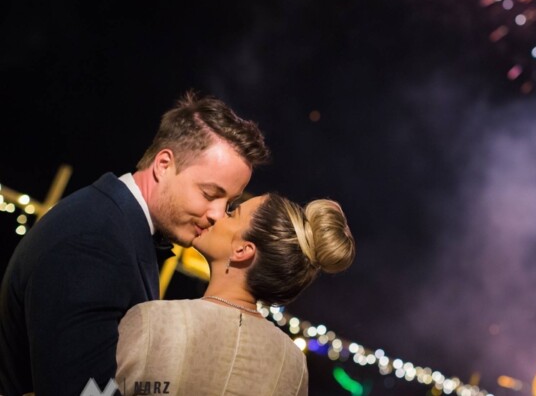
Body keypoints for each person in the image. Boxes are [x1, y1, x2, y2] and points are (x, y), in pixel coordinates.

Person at [0, 91, 270, 396]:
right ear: (164, 164)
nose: (217, 215)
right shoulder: (95, 242)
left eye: (229, 202)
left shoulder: (119, 228)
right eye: (210, 194)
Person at [115, 193, 356, 395]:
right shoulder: (292, 365)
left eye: (232, 213)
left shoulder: (155, 321)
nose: (217, 215)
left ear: (242, 250)